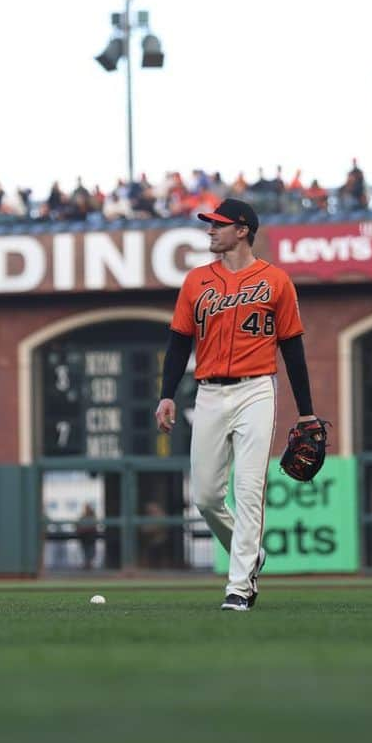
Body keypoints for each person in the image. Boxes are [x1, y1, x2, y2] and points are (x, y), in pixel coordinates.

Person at [155, 198, 317, 612]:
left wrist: (306, 411)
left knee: (248, 490)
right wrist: (167, 394)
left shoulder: (276, 281)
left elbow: (293, 349)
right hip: (208, 391)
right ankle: (252, 555)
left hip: (256, 390)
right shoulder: (196, 281)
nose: (210, 230)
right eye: (209, 225)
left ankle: (239, 587)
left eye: (218, 225)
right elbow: (178, 343)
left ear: (242, 230)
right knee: (207, 496)